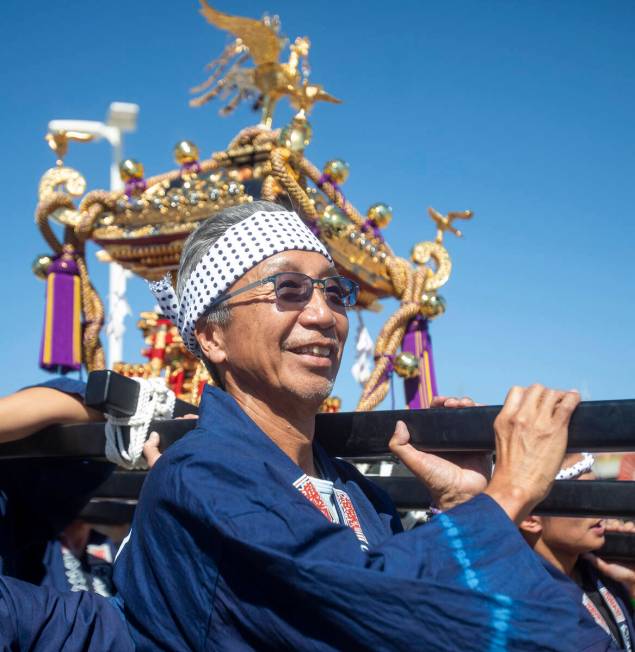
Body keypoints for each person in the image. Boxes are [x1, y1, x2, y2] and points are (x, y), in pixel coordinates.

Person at [114, 200, 588, 651]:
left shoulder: (354, 490)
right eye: (288, 290)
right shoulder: (198, 476)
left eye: (335, 292)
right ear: (213, 337)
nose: (324, 316)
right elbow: (376, 609)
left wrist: (460, 503)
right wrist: (508, 493)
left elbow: (513, 631)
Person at [520, 453, 635, 651]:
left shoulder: (601, 572)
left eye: (598, 493)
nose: (600, 508)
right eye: (582, 497)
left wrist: (632, 582)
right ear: (530, 518)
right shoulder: (529, 602)